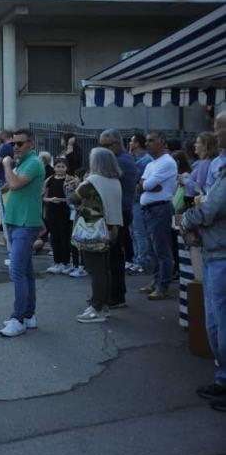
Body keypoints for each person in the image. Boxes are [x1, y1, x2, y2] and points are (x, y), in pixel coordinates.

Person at [182, 111, 226, 412]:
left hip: (222, 253)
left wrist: (187, 220)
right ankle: (223, 379)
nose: (215, 133)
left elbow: (210, 208)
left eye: (218, 128)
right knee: (214, 323)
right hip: (214, 252)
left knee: (221, 323)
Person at [0, 129, 46, 338]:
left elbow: (16, 184)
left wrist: (7, 165)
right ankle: (28, 315)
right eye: (14, 144)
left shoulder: (34, 162)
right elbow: (12, 185)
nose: (15, 147)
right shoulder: (23, 162)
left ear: (31, 144)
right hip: (17, 222)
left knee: (16, 271)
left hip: (26, 224)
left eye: (20, 143)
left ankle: (19, 318)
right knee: (25, 272)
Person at [69, 148, 124, 323]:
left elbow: (73, 198)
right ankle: (103, 304)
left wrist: (76, 186)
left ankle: (97, 307)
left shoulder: (92, 181)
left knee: (95, 270)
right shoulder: (115, 180)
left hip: (93, 229)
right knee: (104, 268)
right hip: (111, 228)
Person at [99, 129, 138, 308]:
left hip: (119, 213)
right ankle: (112, 293)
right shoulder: (117, 160)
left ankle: (117, 295)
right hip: (115, 212)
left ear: (117, 144)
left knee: (114, 256)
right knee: (110, 255)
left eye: (106, 146)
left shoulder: (122, 161)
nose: (103, 149)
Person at [137, 131, 177, 300]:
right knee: (153, 250)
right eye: (146, 140)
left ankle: (163, 286)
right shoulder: (151, 164)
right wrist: (147, 185)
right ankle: (156, 280)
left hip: (160, 209)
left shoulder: (167, 162)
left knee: (162, 250)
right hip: (149, 209)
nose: (147, 144)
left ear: (162, 141)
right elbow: (142, 184)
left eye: (151, 140)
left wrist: (147, 185)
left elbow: (148, 185)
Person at [128, 133, 154, 275]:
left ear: (137, 143)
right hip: (133, 199)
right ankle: (137, 258)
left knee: (139, 232)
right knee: (133, 232)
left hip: (139, 199)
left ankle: (142, 261)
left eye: (132, 141)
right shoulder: (136, 158)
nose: (130, 143)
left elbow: (134, 175)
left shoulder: (145, 160)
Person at [43, 158, 72, 273]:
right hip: (52, 211)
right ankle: (57, 262)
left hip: (65, 211)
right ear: (54, 167)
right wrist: (51, 199)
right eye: (58, 166)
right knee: (54, 237)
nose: (60, 169)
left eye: (62, 167)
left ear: (66, 168)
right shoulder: (49, 180)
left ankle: (66, 262)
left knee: (65, 236)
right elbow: (43, 196)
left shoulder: (70, 180)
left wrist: (62, 200)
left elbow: (73, 197)